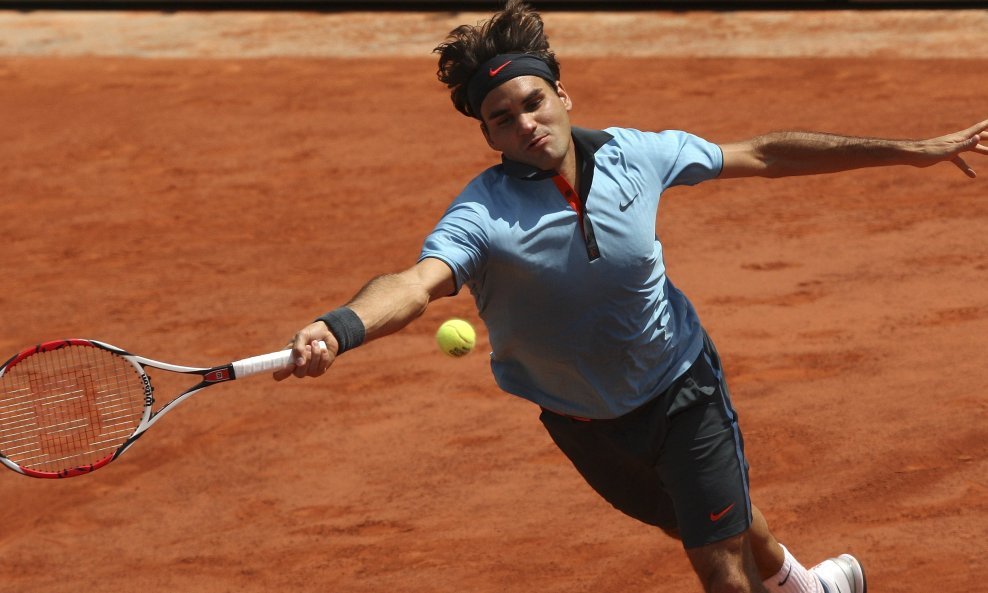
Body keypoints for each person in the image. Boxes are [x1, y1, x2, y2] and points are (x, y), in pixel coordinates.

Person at [273, 2, 987, 592]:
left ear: (561, 95)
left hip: (681, 386)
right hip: (584, 423)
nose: (526, 123)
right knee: (711, 518)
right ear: (487, 133)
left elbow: (764, 153)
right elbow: (416, 283)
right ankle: (815, 586)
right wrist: (341, 327)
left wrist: (911, 149)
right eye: (502, 118)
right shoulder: (482, 213)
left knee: (718, 562)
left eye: (533, 101)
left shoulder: (637, 155)